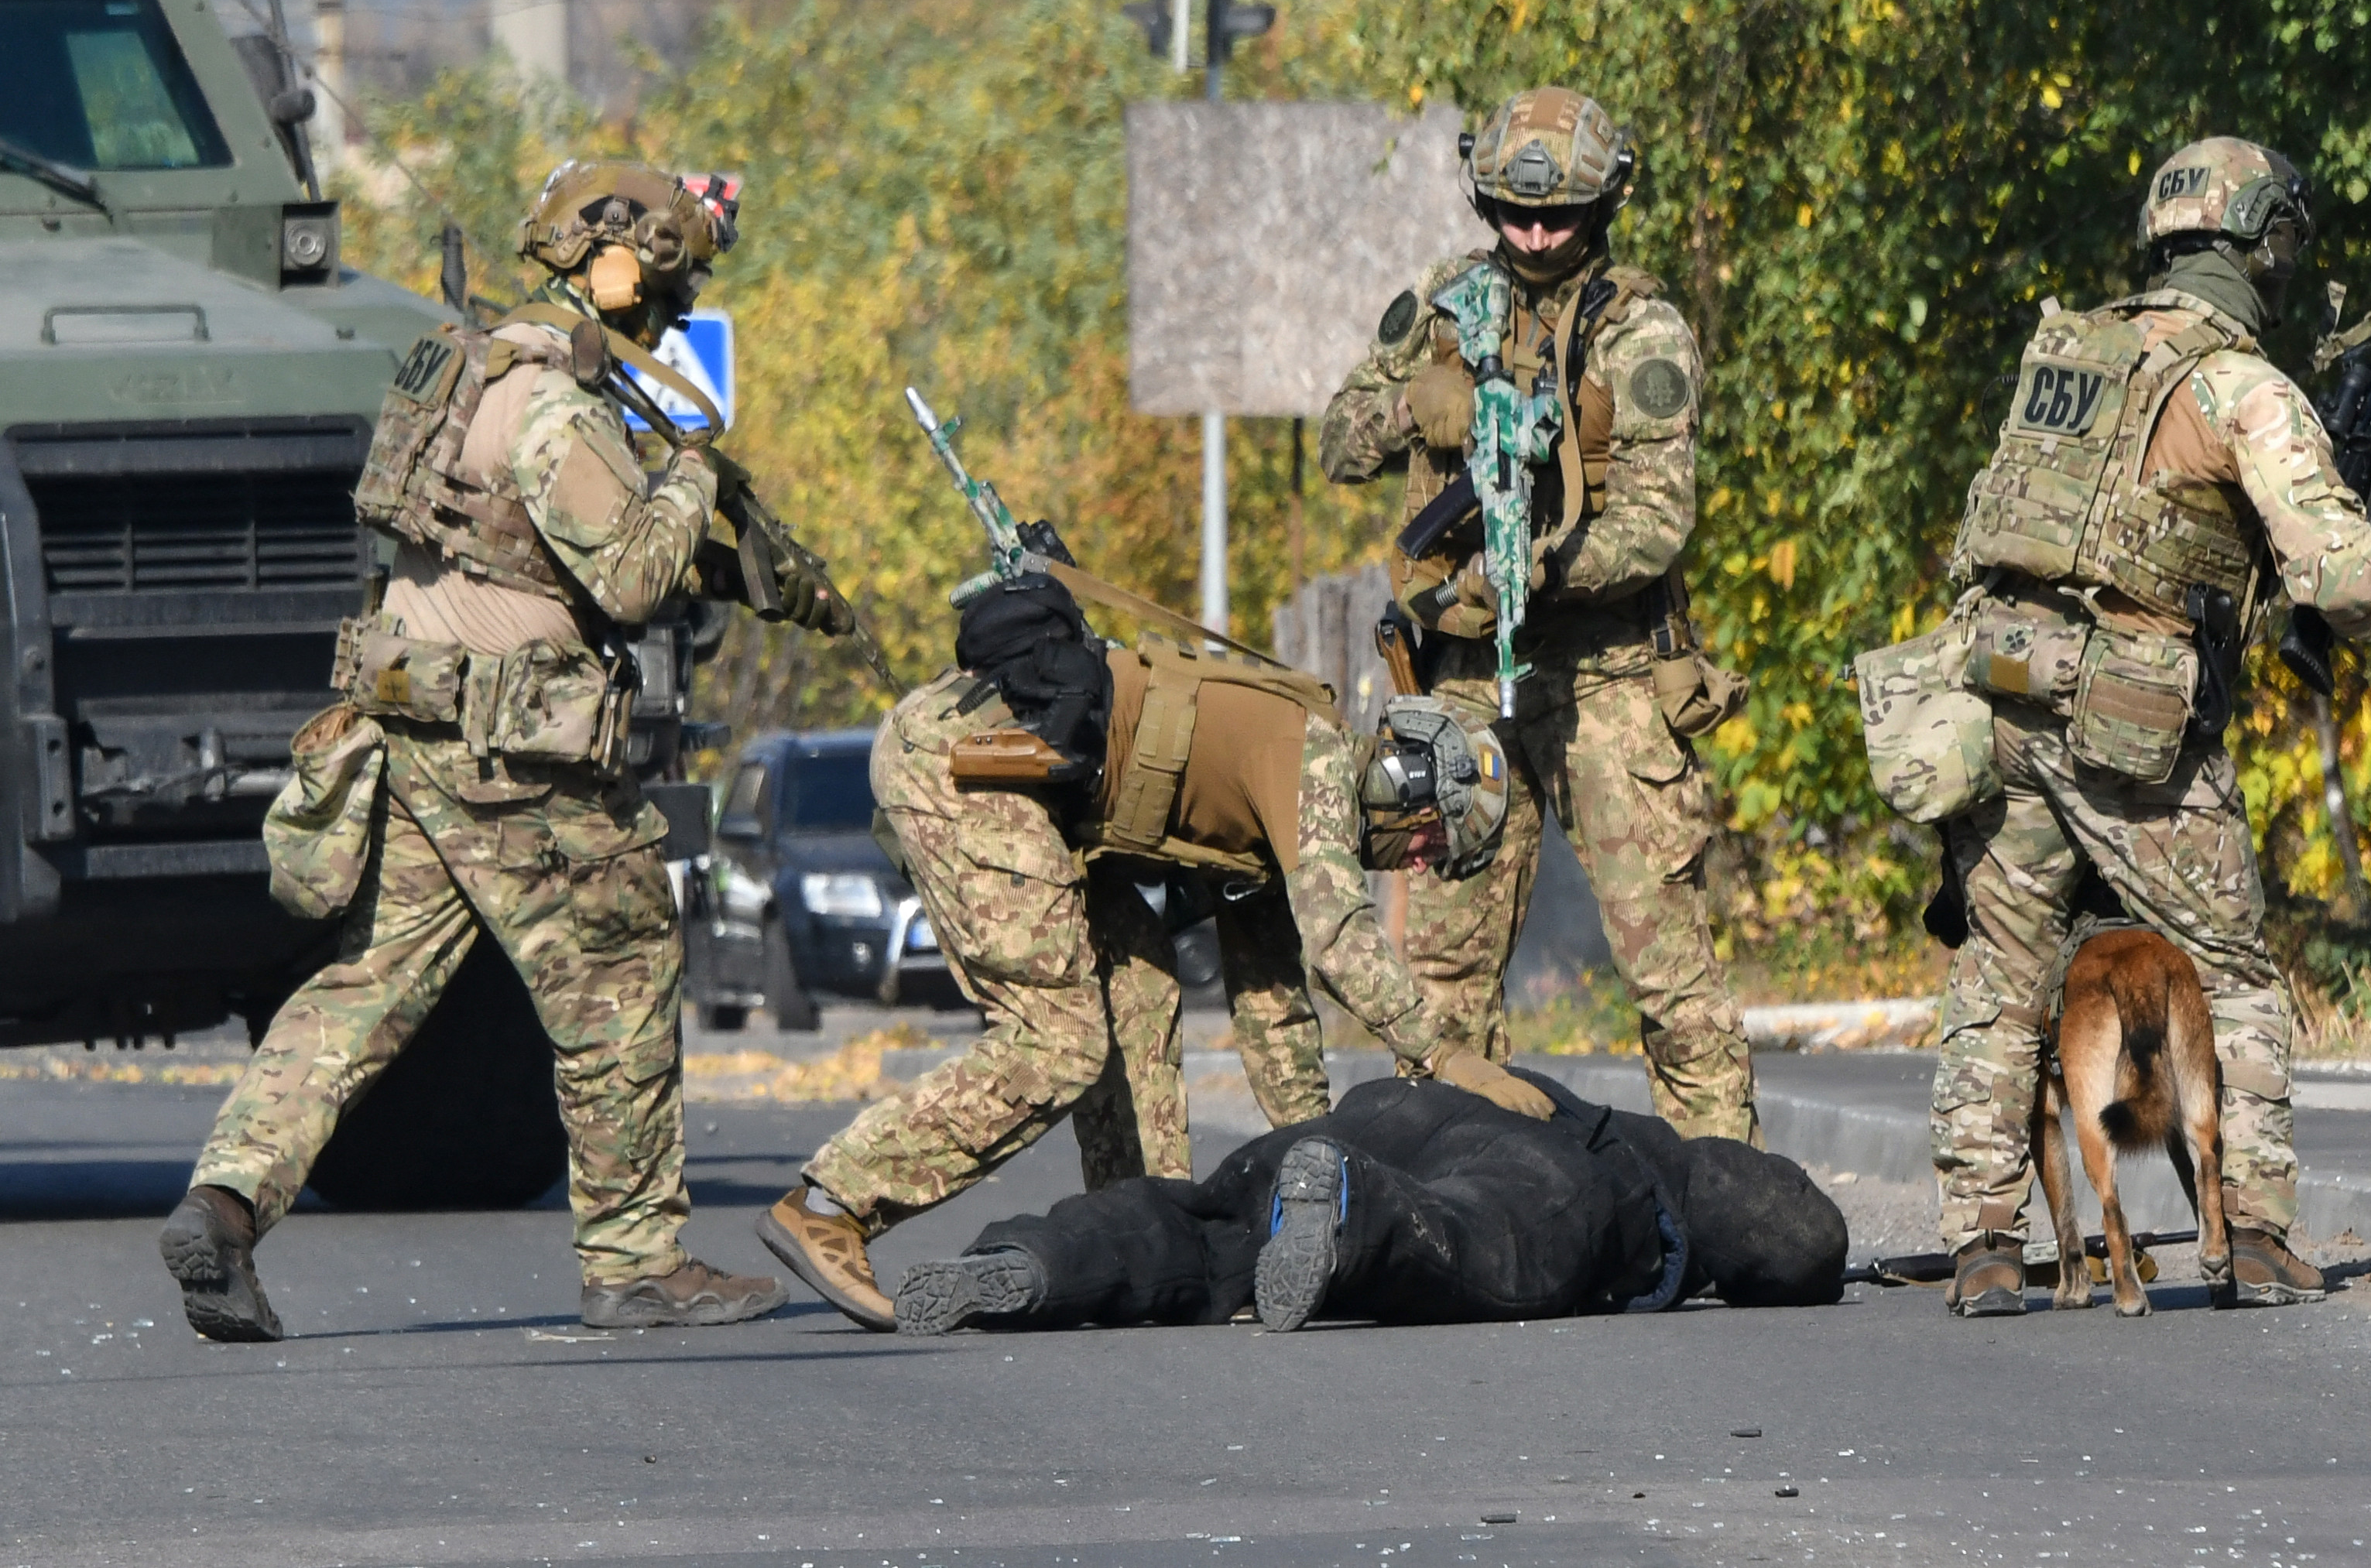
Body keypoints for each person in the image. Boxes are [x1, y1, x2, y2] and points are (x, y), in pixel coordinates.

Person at [162, 162, 827, 1341]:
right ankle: (635, 1265)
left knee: (369, 983)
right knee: (621, 973)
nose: (671, 316)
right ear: (617, 273)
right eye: (668, 290)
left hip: (415, 730)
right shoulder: (562, 405)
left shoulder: (468, 369)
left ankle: (224, 1202)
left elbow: (525, 549)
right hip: (515, 756)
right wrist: (689, 471)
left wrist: (738, 570)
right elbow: (628, 580)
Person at [753, 574, 1557, 1330]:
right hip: (960, 764)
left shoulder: (1280, 818)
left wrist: (1326, 1189)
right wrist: (1443, 1052)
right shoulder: (1311, 761)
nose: (1416, 866)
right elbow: (1338, 941)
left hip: (1015, 788)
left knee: (1140, 984)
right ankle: (834, 1204)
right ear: (1406, 784)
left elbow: (1276, 1014)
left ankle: (1139, 1241)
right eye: (1431, 843)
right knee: (1059, 1041)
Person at [1922, 138, 2371, 1316]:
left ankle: (1984, 1246)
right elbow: (2343, 581)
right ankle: (2254, 1233)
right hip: (2130, 728)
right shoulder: (2242, 386)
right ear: (2266, 245)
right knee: (2230, 971)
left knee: (1999, 973)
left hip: (1998, 692)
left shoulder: (2070, 354)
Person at [1319, 87, 1753, 1143]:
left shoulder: (1638, 332)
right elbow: (1338, 442)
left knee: (1668, 971)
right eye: (1517, 215)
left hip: (1606, 672)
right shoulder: (1445, 305)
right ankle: (1464, 1184)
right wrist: (1415, 409)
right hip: (1467, 676)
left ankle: (1726, 1185)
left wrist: (1538, 571)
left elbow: (1656, 523)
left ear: (1602, 206)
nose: (1536, 235)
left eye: (1558, 216)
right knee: (1442, 974)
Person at [891, 1070, 1848, 1335]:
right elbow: (1802, 1237)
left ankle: (1038, 1260)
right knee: (1480, 1238)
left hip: (1384, 1104)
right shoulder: (1665, 1163)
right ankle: (1350, 1203)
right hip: (1528, 1149)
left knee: (1208, 1223)